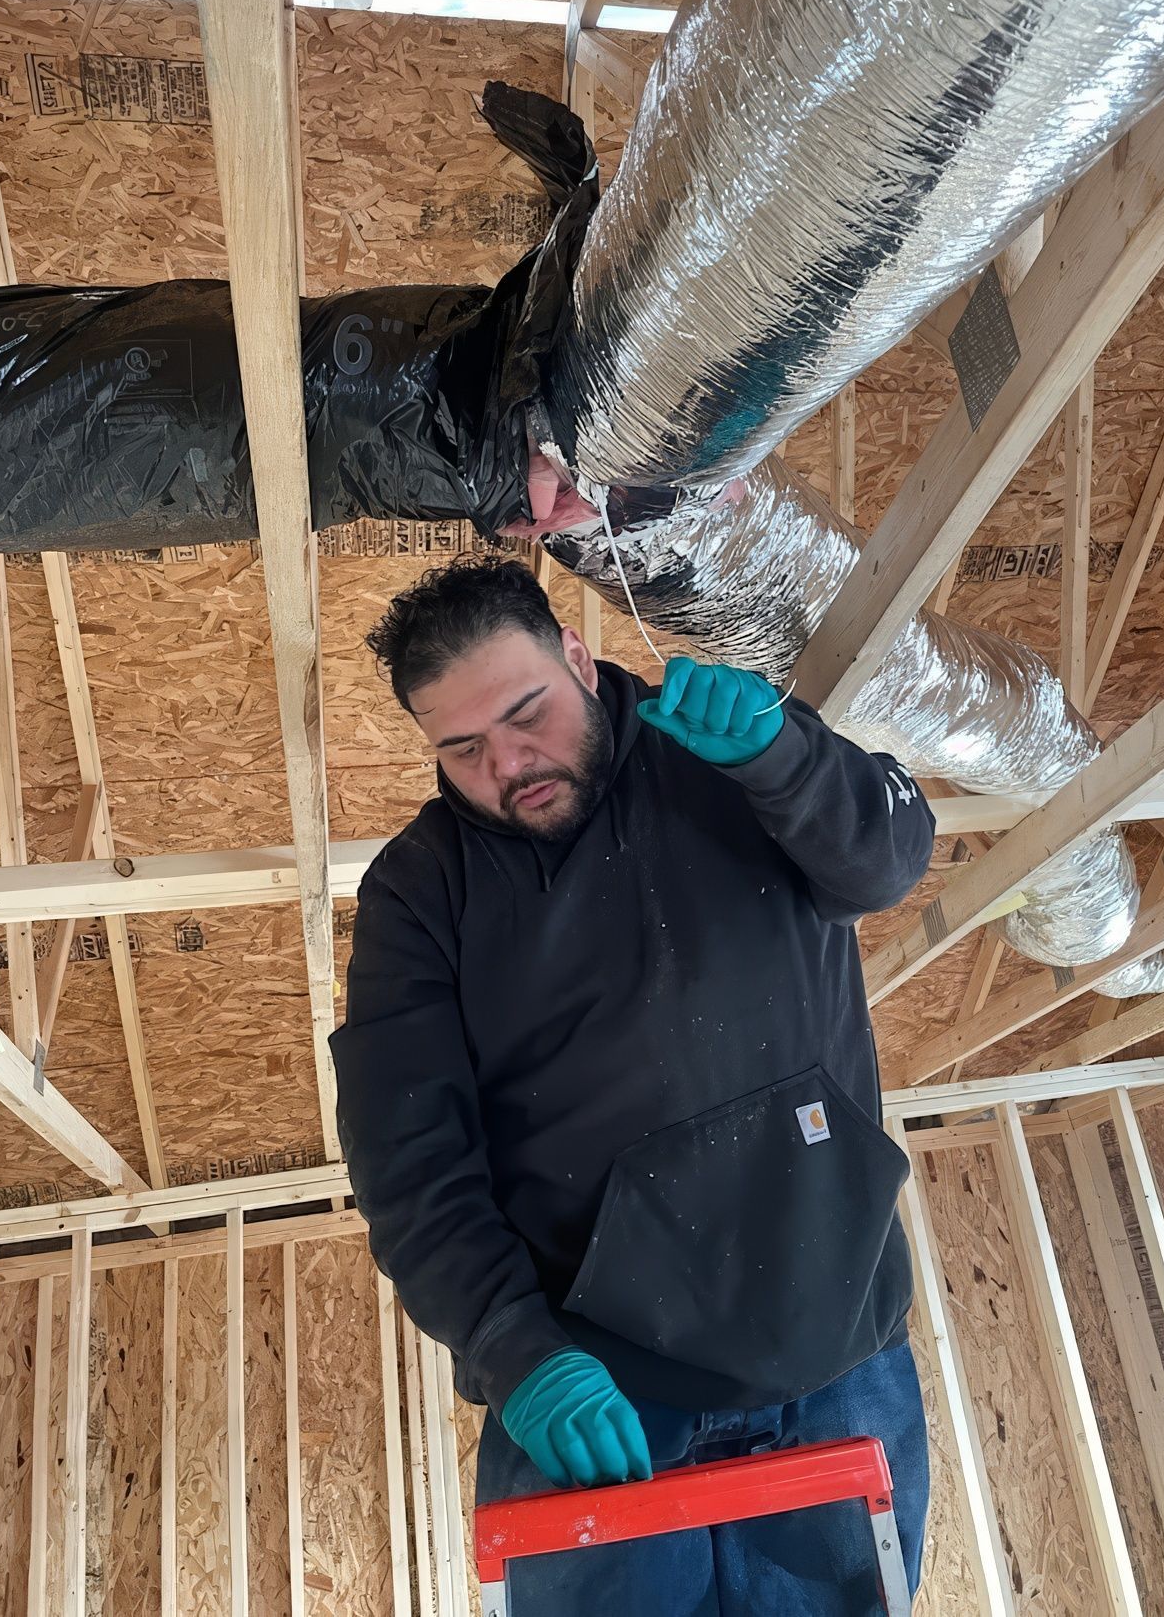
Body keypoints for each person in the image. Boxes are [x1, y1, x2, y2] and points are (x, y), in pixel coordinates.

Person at [331, 558, 936, 1613]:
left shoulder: (727, 753)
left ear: (577, 652)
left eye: (527, 713)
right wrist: (516, 1354)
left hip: (835, 1347)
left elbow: (885, 860)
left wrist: (785, 754)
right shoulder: (418, 893)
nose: (508, 763)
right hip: (601, 1396)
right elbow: (410, 1164)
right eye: (461, 747)